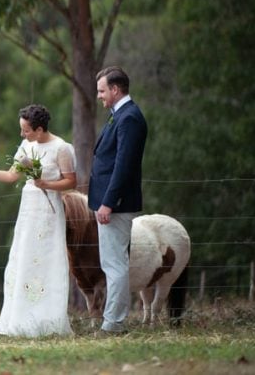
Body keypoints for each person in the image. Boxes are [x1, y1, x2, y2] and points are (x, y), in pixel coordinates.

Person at [0, 104, 77, 337]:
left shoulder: (61, 148)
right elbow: (11, 176)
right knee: (23, 259)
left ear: (39, 129)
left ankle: (48, 321)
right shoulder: (27, 146)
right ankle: (21, 320)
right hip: (28, 210)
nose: (22, 135)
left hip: (49, 213)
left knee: (46, 261)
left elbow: (71, 182)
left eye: (25, 130)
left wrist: (47, 184)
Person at [89, 65, 147, 335]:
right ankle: (113, 321)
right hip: (109, 202)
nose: (99, 95)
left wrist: (109, 202)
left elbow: (124, 165)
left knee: (115, 264)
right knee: (111, 262)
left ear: (115, 89)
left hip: (116, 204)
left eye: (102, 90)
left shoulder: (130, 118)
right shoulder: (119, 115)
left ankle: (113, 323)